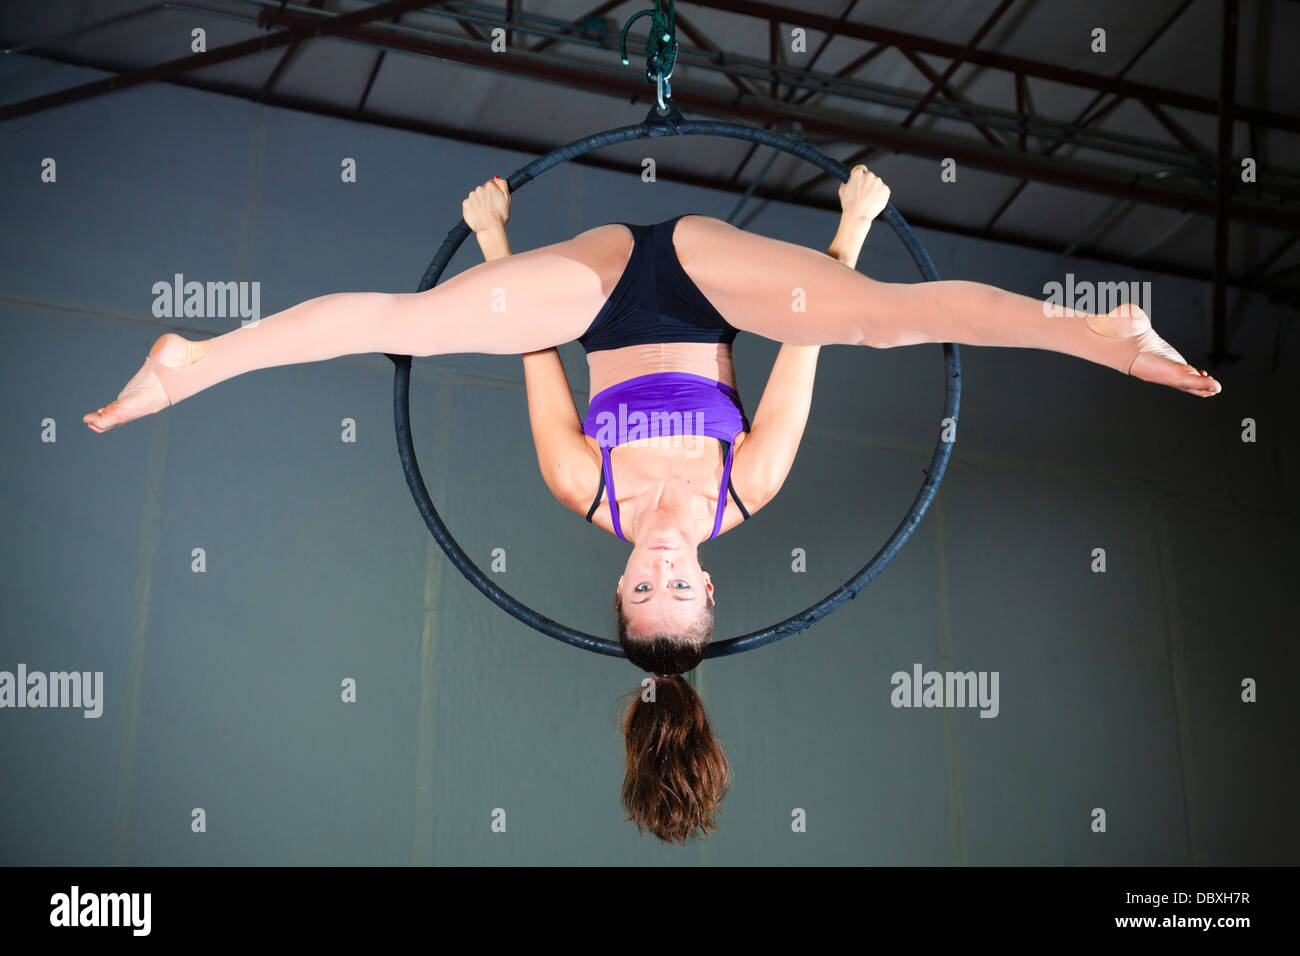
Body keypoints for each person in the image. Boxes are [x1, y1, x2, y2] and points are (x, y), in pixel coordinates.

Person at [84, 166, 1220, 843]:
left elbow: (526, 346)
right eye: (683, 585)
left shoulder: (582, 489)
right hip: (706, 276)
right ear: (710, 585)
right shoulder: (749, 486)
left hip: (592, 290)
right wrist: (851, 234)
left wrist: (489, 248)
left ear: (621, 583)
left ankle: (198, 359)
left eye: (643, 583)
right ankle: (1097, 332)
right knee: (876, 315)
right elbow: (804, 341)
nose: (663, 564)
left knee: (413, 320)